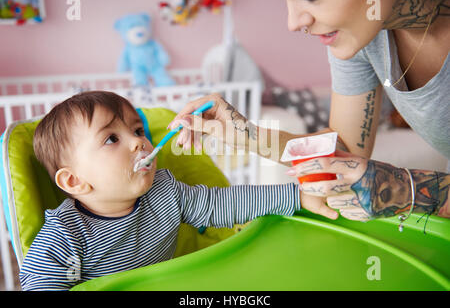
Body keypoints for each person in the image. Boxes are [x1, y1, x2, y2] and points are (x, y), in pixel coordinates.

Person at [167, 0, 450, 222]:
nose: (294, 21)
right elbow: (346, 149)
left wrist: (409, 188)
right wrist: (248, 135)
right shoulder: (363, 35)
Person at [20, 91, 302, 291]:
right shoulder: (65, 234)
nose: (138, 142)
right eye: (111, 139)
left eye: (138, 130)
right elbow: (40, 283)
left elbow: (220, 204)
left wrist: (296, 195)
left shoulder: (164, 192)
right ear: (73, 182)